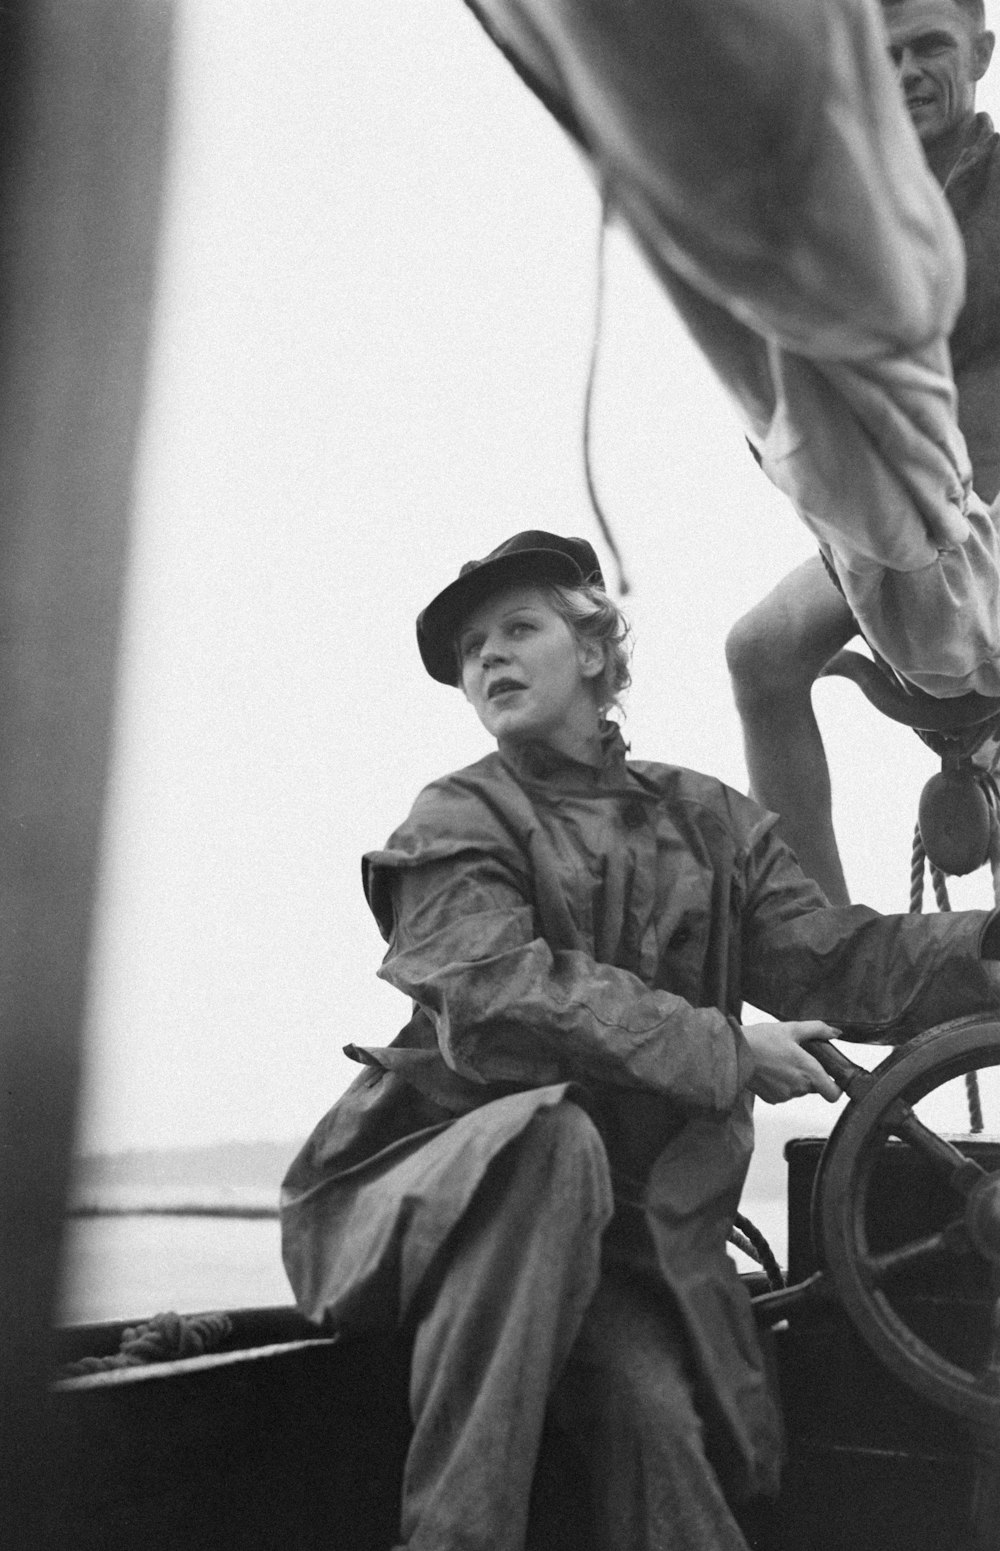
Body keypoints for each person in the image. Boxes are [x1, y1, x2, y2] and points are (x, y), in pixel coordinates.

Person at [281, 530, 1000, 1551]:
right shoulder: (455, 819)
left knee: (657, 1415)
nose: (487, 658)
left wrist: (986, 949)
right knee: (551, 1141)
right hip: (418, 1205)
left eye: (516, 628)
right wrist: (725, 1052)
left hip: (613, 1248)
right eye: (471, 647)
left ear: (590, 649)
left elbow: (838, 963)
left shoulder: (708, 825)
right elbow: (493, 996)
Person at [725, 0, 1000, 903]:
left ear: (984, 52)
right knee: (760, 652)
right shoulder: (843, 213)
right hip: (891, 525)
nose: (911, 71)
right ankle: (823, 941)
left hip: (991, 515)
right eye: (887, 56)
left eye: (934, 47)